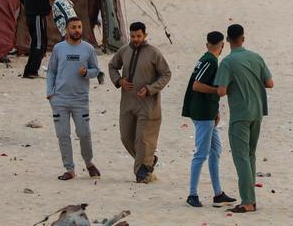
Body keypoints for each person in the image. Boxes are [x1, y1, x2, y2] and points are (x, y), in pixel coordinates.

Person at [215, 23, 273, 215]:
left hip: (240, 114)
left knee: (241, 157)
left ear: (228, 40)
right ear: (243, 38)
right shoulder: (256, 57)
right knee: (250, 155)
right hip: (258, 112)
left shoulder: (227, 62)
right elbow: (269, 83)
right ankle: (251, 200)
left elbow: (221, 91)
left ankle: (248, 201)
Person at [108, 21, 172, 183]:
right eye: (133, 36)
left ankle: (141, 174)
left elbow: (166, 74)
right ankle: (148, 161)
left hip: (148, 105)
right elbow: (112, 66)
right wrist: (119, 80)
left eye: (139, 36)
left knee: (142, 139)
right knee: (126, 136)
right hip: (127, 103)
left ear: (145, 35)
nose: (135, 39)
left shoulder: (154, 53)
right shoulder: (124, 50)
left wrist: (150, 89)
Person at [182, 31, 236, 208]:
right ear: (222, 46)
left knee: (216, 150)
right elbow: (197, 85)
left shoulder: (207, 59)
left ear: (207, 44)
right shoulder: (210, 61)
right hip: (202, 113)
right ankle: (192, 194)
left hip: (208, 112)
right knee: (201, 154)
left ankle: (218, 193)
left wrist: (216, 110)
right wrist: (218, 91)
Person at [45, 17, 101, 181]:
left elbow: (96, 70)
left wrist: (87, 73)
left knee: (84, 133)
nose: (77, 30)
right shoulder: (58, 48)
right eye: (73, 27)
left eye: (79, 27)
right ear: (67, 29)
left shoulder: (88, 49)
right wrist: (50, 93)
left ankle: (89, 162)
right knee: (63, 135)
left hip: (80, 100)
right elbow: (51, 72)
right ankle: (69, 169)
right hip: (60, 99)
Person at [20, 0, 53, 79]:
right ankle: (32, 71)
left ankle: (29, 70)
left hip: (30, 16)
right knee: (40, 44)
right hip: (37, 16)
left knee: (36, 42)